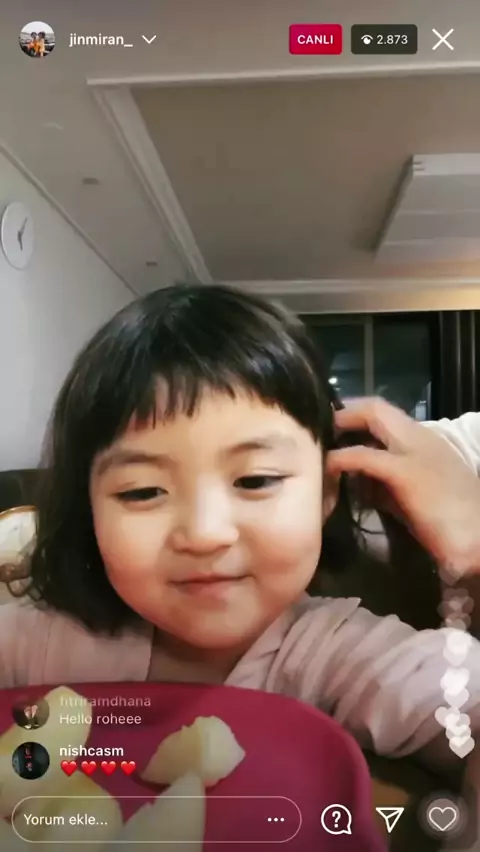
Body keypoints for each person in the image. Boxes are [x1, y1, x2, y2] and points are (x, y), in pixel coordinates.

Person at [0, 285, 479, 800]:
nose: (205, 533)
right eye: (142, 491)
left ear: (326, 494)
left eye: (255, 480)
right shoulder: (42, 641)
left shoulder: (336, 655)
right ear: (89, 509)